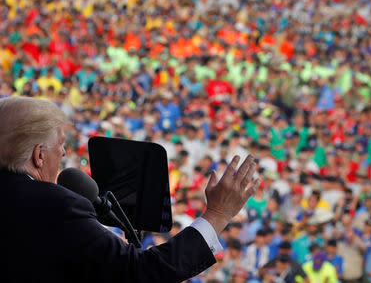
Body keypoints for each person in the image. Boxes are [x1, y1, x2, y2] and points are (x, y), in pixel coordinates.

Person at [0, 96, 260, 282]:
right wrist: (217, 214)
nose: (65, 152)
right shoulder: (55, 205)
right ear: (39, 156)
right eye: (60, 145)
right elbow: (139, 272)